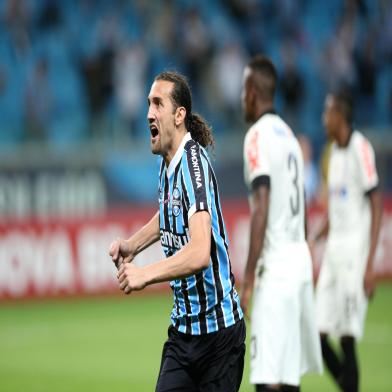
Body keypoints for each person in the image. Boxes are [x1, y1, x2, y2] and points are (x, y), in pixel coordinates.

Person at [109, 71, 245, 392]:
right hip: (183, 334)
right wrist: (133, 246)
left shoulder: (193, 165)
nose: (148, 113)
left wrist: (144, 274)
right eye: (148, 104)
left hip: (219, 338)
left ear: (179, 115)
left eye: (158, 104)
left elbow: (200, 252)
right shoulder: (167, 162)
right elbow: (169, 211)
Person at [240, 55, 322, 392]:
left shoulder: (257, 136)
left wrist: (247, 280)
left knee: (266, 379)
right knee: (288, 379)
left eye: (244, 89)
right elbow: (301, 206)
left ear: (253, 90)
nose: (241, 98)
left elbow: (262, 205)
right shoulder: (290, 138)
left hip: (275, 272)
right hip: (299, 265)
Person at [311, 91, 382, 392]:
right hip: (334, 251)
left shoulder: (359, 148)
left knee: (348, 335)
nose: (324, 119)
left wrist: (369, 265)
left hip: (354, 252)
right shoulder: (334, 153)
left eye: (328, 113)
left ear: (340, 115)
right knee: (317, 333)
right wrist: (316, 235)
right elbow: (338, 204)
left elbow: (376, 203)